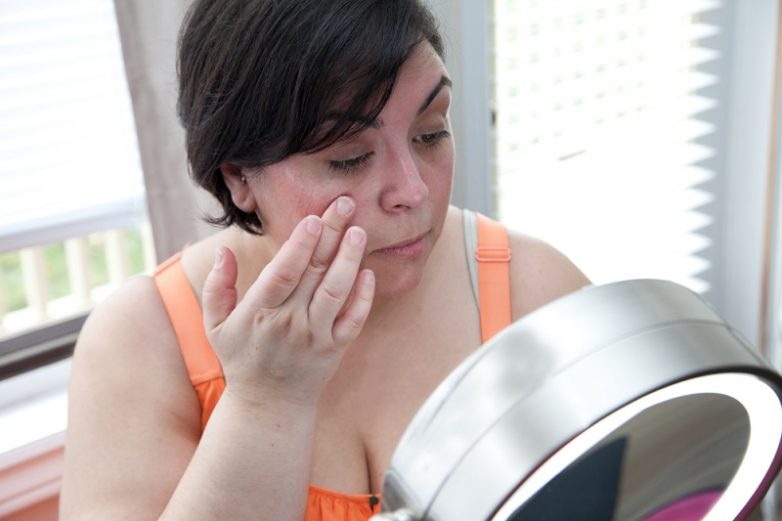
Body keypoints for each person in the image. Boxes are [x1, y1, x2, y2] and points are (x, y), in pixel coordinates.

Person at [59, 1, 589, 520]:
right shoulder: (142, 341)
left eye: (430, 133)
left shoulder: (538, 293)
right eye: (349, 159)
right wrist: (265, 402)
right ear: (239, 177)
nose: (413, 192)